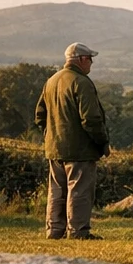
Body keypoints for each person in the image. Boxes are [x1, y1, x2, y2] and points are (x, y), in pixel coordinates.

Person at [34, 42, 110, 240]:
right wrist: (101, 142)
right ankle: (78, 231)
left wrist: (51, 136)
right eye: (90, 59)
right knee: (79, 190)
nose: (91, 64)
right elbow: (91, 119)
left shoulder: (51, 81)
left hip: (54, 148)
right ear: (82, 59)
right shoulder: (81, 82)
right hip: (80, 149)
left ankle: (54, 230)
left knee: (56, 191)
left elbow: (39, 116)